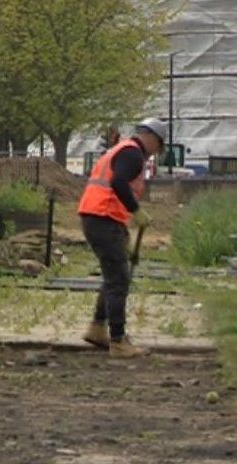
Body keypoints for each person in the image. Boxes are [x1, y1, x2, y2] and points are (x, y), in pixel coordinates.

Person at [77, 118, 167, 358]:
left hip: (98, 216)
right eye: (159, 146)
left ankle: (97, 328)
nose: (156, 153)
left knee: (113, 276)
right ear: (152, 138)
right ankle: (118, 341)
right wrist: (136, 210)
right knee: (119, 280)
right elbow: (117, 182)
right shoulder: (133, 154)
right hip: (103, 216)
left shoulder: (123, 150)